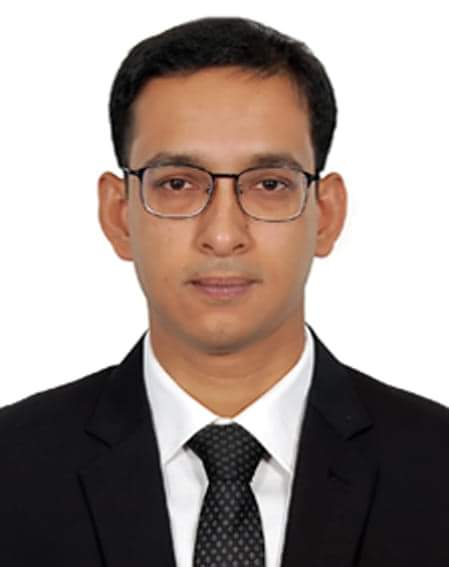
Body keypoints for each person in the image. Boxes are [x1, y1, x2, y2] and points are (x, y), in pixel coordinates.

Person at [1, 15, 448, 567]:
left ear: (326, 215)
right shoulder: (12, 468)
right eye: (178, 183)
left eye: (269, 185)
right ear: (118, 215)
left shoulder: (437, 466)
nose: (222, 235)